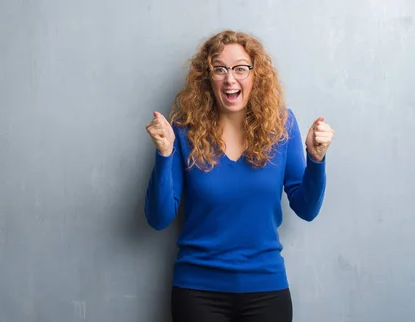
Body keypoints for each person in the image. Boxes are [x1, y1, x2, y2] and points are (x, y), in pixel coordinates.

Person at [143, 30, 334, 322]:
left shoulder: (283, 127)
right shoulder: (183, 131)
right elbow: (159, 218)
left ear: (256, 75)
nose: (230, 79)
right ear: (207, 78)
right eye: (219, 69)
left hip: (267, 290)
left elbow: (306, 209)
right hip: (197, 291)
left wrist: (317, 160)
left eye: (240, 68)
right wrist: (165, 153)